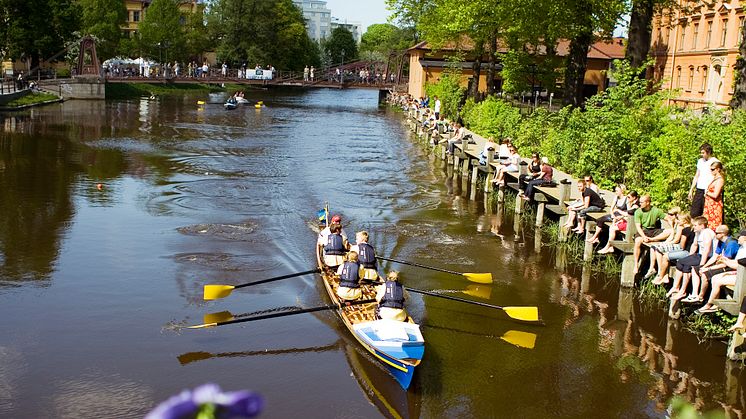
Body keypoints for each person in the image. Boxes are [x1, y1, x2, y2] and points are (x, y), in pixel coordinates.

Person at [687, 224, 741, 303]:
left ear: (723, 234)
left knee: (705, 274)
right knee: (695, 269)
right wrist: (704, 266)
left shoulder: (731, 244)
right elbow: (714, 257)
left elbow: (725, 264)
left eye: (716, 233)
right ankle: (694, 294)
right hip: (720, 263)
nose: (714, 234)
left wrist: (708, 269)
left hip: (729, 267)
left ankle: (700, 297)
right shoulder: (720, 242)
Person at [667, 216, 715, 301]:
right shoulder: (698, 232)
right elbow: (694, 245)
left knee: (687, 265)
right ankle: (676, 287)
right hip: (699, 254)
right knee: (680, 262)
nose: (694, 227)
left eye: (695, 225)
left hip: (707, 257)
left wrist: (702, 265)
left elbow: (707, 250)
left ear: (702, 225)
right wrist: (690, 256)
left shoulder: (707, 233)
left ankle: (683, 291)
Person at [651, 213, 694, 285]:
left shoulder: (685, 231)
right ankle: (664, 276)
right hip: (690, 251)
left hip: (686, 252)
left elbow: (682, 246)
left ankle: (660, 277)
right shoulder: (692, 229)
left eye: (679, 220)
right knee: (666, 254)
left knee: (665, 256)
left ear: (684, 221)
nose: (677, 221)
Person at [631, 195, 668, 273]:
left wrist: (673, 225)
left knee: (669, 231)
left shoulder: (656, 210)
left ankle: (653, 240)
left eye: (641, 202)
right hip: (644, 230)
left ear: (647, 203)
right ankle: (636, 264)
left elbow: (667, 218)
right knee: (638, 241)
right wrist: (644, 236)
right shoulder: (638, 211)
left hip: (654, 230)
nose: (639, 203)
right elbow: (638, 227)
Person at [687, 143, 719, 217]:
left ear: (708, 152)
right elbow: (697, 175)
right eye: (701, 152)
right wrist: (691, 189)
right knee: (694, 213)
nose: (701, 154)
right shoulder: (700, 161)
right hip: (699, 189)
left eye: (703, 153)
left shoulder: (715, 162)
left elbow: (718, 176)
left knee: (707, 213)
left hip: (709, 190)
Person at [702, 161, 724, 230]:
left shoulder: (720, 180)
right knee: (707, 224)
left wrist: (707, 193)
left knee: (714, 225)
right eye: (710, 169)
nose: (711, 171)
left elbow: (715, 195)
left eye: (713, 169)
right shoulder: (714, 179)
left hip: (714, 206)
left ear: (718, 169)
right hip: (709, 206)